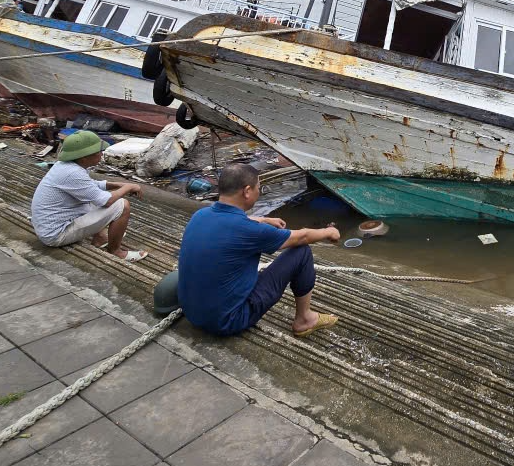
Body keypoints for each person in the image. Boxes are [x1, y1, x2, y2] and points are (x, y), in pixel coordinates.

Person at [177, 163, 340, 337]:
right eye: (258, 187)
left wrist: (262, 220)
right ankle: (305, 319)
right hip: (227, 321)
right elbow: (302, 237)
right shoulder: (249, 231)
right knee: (302, 252)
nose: (259, 192)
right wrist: (328, 231)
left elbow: (232, 221)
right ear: (247, 191)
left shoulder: (200, 215)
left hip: (193, 313)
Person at [30, 130, 147, 262]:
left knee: (90, 198)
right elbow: (106, 201)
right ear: (84, 157)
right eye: (98, 151)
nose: (102, 154)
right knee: (122, 205)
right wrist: (128, 187)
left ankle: (100, 238)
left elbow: (91, 186)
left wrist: (120, 184)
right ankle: (115, 251)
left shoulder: (65, 166)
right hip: (56, 234)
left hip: (49, 227)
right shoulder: (73, 173)